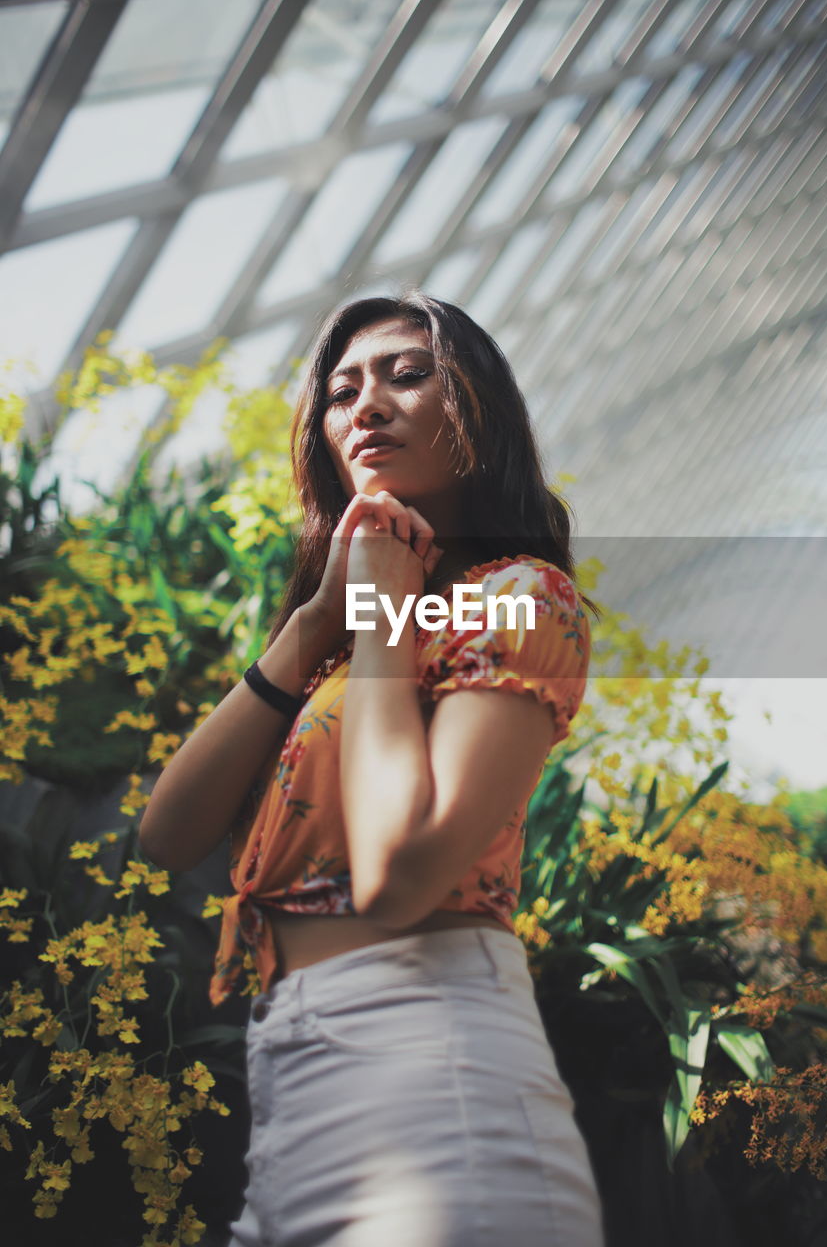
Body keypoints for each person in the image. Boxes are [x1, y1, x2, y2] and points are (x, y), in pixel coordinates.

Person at [140, 291, 605, 1246]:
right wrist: (316, 622)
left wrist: (386, 620)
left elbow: (397, 876)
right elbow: (165, 836)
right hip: (287, 1077)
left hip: (431, 1070)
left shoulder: (522, 597)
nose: (366, 405)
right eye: (342, 391)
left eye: (407, 373)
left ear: (475, 407)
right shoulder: (341, 649)